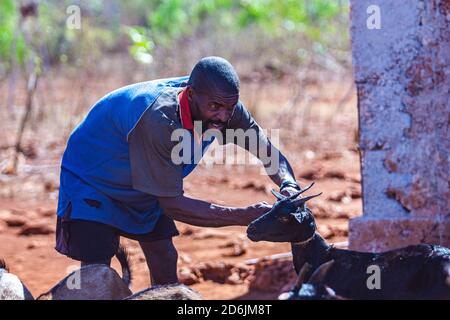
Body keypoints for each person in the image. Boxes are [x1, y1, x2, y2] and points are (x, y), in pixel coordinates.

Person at [55, 56, 302, 285]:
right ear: (191, 94)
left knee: (164, 256)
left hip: (145, 181)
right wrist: (243, 215)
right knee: (97, 273)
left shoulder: (225, 107)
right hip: (94, 179)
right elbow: (172, 204)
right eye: (215, 107)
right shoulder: (159, 119)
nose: (223, 117)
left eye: (230, 107)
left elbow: (268, 153)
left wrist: (289, 185)